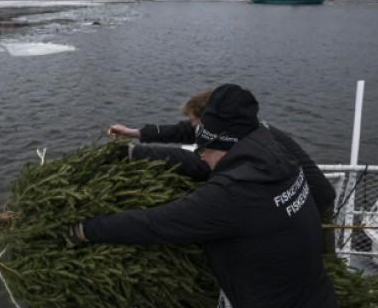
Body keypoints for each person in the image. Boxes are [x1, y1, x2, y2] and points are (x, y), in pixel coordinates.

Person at [68, 84, 354, 308]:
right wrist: (135, 151)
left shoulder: (233, 196)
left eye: (204, 148)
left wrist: (85, 229)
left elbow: (154, 224)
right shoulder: (273, 151)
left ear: (224, 145)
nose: (200, 154)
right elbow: (201, 163)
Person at [109, 90, 337, 233]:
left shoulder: (236, 146)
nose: (194, 131)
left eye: (196, 124)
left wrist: (130, 154)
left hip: (314, 204)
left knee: (316, 257)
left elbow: (191, 162)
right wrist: (135, 133)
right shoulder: (242, 128)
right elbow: (184, 132)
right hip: (311, 196)